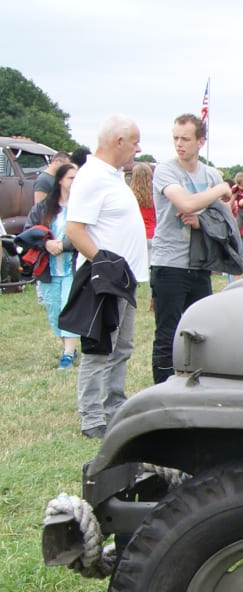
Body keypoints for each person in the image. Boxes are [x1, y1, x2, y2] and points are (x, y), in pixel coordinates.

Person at [64, 115, 148, 439]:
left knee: (121, 347)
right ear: (118, 142)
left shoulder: (112, 176)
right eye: (135, 142)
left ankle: (114, 408)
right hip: (107, 279)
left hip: (125, 279)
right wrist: (103, 264)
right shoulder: (92, 177)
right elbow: (74, 229)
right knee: (100, 349)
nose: (138, 149)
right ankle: (92, 418)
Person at [150, 113, 235, 384]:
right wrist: (218, 190)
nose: (179, 144)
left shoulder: (209, 173)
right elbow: (184, 203)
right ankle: (163, 390)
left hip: (199, 264)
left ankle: (195, 385)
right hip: (169, 264)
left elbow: (224, 218)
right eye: (175, 138)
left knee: (200, 332)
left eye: (185, 139)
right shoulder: (166, 170)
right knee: (168, 334)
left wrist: (201, 220)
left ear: (200, 142)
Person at [36, 162, 80, 368]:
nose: (75, 182)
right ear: (61, 180)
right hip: (48, 269)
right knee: (55, 312)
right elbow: (29, 231)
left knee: (68, 309)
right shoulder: (44, 207)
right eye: (71, 177)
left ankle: (68, 355)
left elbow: (87, 234)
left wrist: (65, 244)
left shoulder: (82, 207)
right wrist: (46, 243)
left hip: (72, 268)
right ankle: (67, 348)